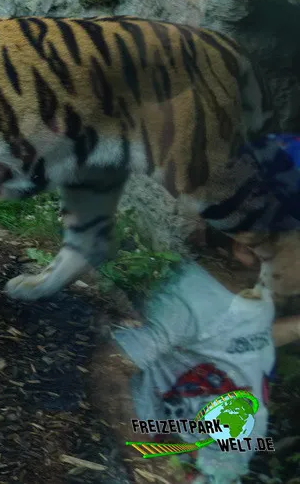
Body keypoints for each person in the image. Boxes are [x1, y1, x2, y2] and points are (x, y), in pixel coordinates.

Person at [90, 133, 300, 484]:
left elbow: (236, 341)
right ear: (248, 247)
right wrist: (142, 461)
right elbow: (109, 367)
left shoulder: (250, 291)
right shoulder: (188, 300)